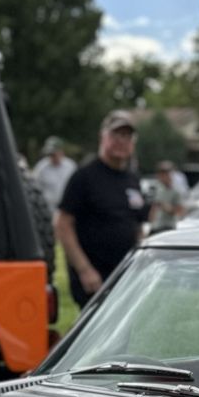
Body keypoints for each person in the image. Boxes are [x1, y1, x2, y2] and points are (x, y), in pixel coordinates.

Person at [55, 111, 146, 306]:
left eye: (127, 136)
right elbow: (63, 224)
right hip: (94, 281)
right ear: (102, 137)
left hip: (126, 275)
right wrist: (84, 269)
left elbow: (137, 225)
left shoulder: (133, 179)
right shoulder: (84, 177)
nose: (122, 141)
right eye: (116, 135)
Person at [33, 136, 76, 213]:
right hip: (47, 210)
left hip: (67, 209)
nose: (51, 156)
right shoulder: (41, 168)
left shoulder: (70, 166)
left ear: (61, 152)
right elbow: (35, 189)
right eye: (49, 154)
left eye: (53, 154)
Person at [147, 160, 186, 233]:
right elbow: (153, 207)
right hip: (155, 226)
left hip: (168, 227)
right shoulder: (155, 188)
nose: (163, 176)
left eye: (166, 173)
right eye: (161, 173)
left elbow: (181, 212)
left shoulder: (175, 191)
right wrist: (150, 221)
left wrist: (168, 208)